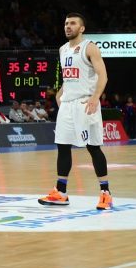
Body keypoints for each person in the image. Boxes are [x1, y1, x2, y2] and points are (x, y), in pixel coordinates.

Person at [39, 13, 112, 210]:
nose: (68, 26)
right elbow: (69, 77)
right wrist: (60, 94)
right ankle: (61, 192)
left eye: (72, 23)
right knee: (62, 146)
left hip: (85, 103)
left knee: (93, 147)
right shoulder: (63, 49)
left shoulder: (89, 47)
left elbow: (102, 75)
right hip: (68, 104)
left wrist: (96, 97)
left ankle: (106, 193)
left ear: (82, 28)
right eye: (66, 23)